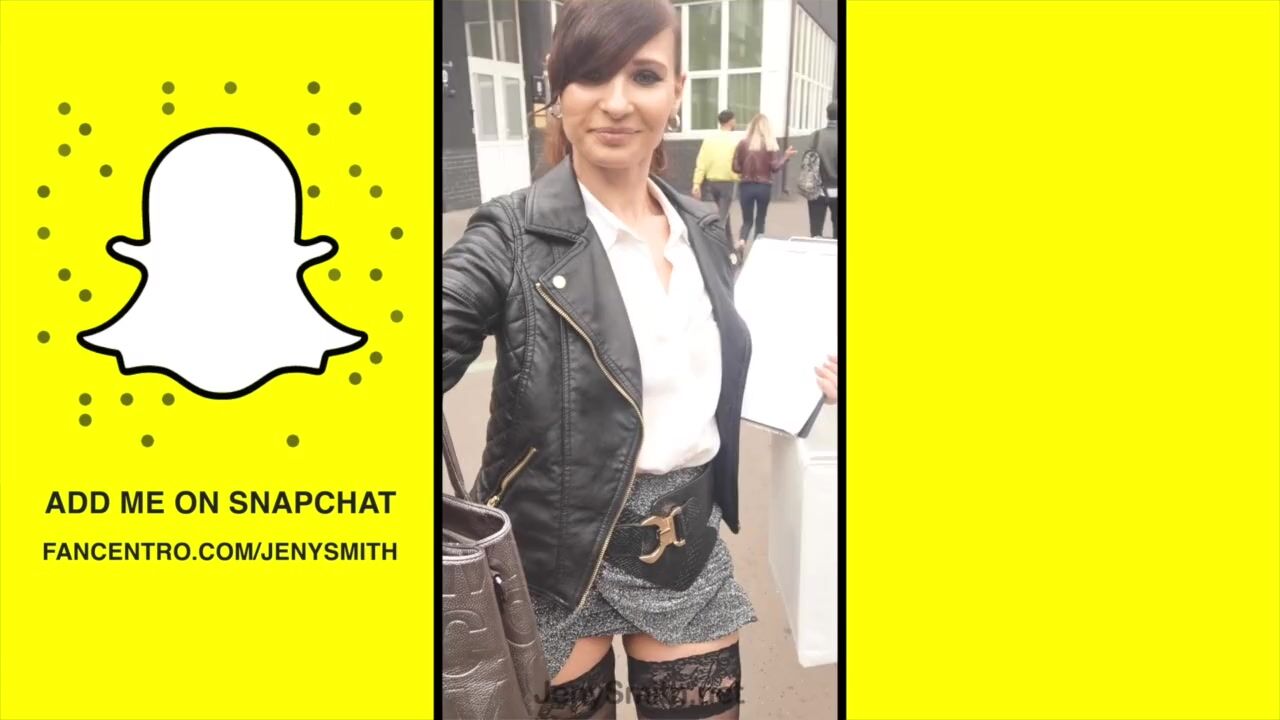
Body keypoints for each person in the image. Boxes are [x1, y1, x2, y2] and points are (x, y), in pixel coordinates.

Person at [442, 1, 837, 717]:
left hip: (685, 548)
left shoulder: (703, 228)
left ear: (676, 91)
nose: (618, 101)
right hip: (550, 563)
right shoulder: (507, 235)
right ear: (557, 89)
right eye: (591, 75)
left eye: (645, 76)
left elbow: (722, 368)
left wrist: (820, 380)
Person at [731, 113, 795, 250]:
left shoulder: (742, 143)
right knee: (760, 219)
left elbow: (735, 168)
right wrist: (785, 157)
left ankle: (742, 241)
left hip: (746, 186)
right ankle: (757, 247)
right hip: (764, 187)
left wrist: (744, 166)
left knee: (747, 220)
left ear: (751, 126)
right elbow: (775, 168)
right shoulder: (770, 144)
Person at [691, 109, 740, 240]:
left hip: (711, 182)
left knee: (722, 212)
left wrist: (696, 183)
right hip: (727, 181)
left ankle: (729, 243)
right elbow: (740, 161)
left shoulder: (709, 139)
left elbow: (701, 162)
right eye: (734, 120)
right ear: (730, 121)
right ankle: (716, 243)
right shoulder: (735, 140)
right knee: (722, 217)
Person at [808, 101, 839, 238]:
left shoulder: (815, 136)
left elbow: (808, 163)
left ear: (827, 116)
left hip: (818, 191)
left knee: (815, 233)